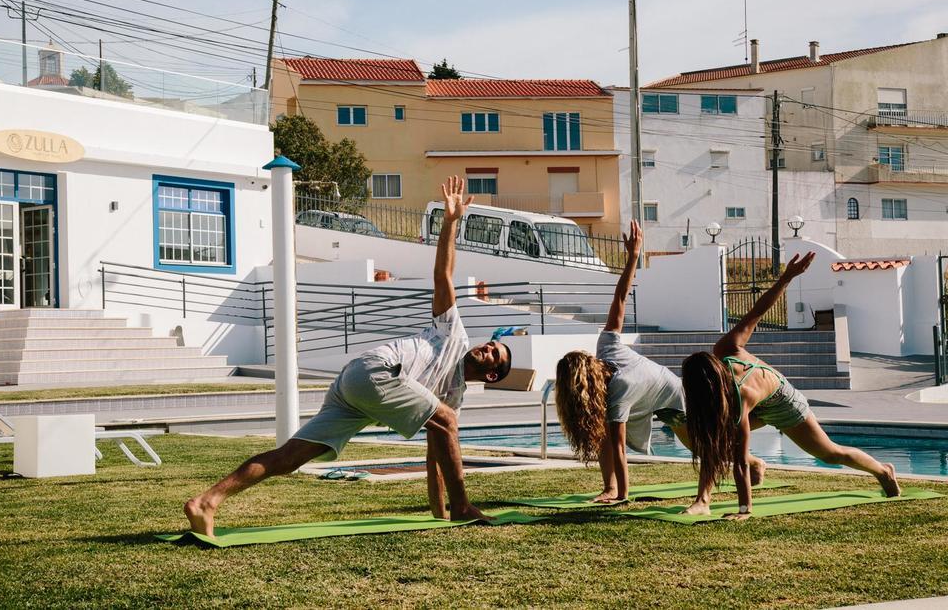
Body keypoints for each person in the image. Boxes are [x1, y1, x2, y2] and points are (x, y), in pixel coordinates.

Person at [184, 176, 512, 537]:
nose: (486, 347)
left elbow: (436, 458)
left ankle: (206, 502)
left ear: (493, 375)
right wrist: (450, 223)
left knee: (291, 458)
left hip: (355, 393)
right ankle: (465, 506)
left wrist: (440, 516)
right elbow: (442, 276)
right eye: (491, 344)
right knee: (446, 420)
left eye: (494, 354)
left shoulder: (452, 399)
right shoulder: (453, 334)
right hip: (376, 371)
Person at [554, 219, 765, 505]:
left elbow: (619, 447)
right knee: (604, 431)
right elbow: (620, 298)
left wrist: (625, 497)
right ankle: (608, 488)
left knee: (702, 447)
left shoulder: (619, 389)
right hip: (651, 394)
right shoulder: (606, 346)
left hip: (674, 398)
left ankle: (752, 462)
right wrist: (632, 258)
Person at [680, 251, 900, 519]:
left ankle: (882, 470)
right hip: (757, 402)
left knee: (830, 453)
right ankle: (704, 500)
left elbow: (739, 459)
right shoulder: (724, 348)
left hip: (784, 403)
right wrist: (786, 278)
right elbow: (757, 311)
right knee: (713, 439)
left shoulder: (741, 394)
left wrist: (744, 510)